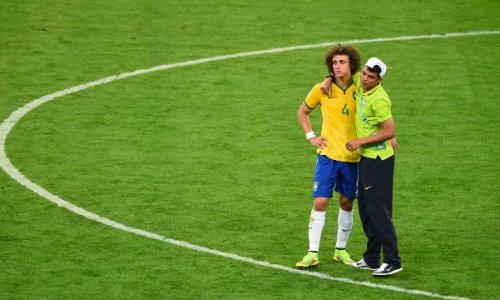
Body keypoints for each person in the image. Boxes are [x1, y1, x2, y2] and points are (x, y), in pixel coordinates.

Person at [295, 44, 361, 269]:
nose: (338, 66)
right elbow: (302, 112)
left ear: (352, 64)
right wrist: (311, 136)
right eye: (334, 63)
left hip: (353, 158)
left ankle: (340, 250)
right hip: (327, 156)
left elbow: (377, 82)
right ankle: (312, 253)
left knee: (347, 202)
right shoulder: (321, 89)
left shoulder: (361, 86)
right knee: (321, 200)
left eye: (342, 62)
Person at [338, 57, 403, 276]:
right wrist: (329, 79)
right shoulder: (359, 82)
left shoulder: (380, 99)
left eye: (371, 77)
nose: (365, 79)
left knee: (378, 211)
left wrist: (360, 141)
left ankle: (393, 260)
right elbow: (342, 73)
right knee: (366, 210)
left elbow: (389, 130)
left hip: (378, 161)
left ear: (379, 80)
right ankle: (372, 257)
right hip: (367, 159)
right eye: (364, 74)